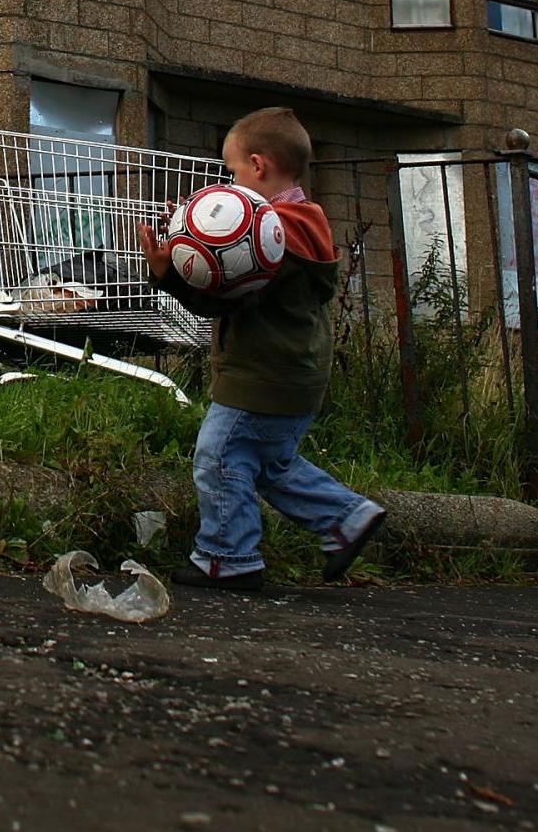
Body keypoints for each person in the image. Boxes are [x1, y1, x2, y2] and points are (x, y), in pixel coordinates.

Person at [137, 107, 386, 591]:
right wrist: (195, 233)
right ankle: (345, 518)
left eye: (231, 171)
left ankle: (226, 556)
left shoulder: (271, 232)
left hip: (261, 372)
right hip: (297, 371)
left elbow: (229, 301)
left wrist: (171, 271)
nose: (229, 181)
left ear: (258, 166)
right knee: (270, 465)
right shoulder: (305, 221)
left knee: (219, 457)